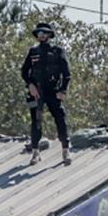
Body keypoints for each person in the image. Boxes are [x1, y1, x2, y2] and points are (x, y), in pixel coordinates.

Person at [21, 21, 72, 167]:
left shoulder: (57, 51)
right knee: (36, 121)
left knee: (60, 117)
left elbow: (66, 74)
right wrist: (30, 85)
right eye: (39, 33)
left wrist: (62, 90)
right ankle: (35, 152)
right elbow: (24, 72)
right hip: (36, 93)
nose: (41, 35)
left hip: (53, 91)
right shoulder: (33, 51)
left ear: (49, 35)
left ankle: (65, 150)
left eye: (44, 33)